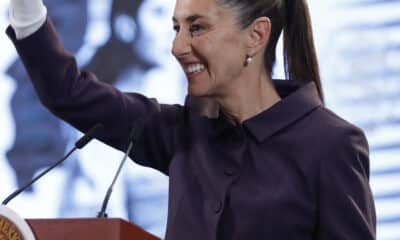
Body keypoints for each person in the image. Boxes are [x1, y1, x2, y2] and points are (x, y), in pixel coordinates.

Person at [6, 0, 376, 239]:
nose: (177, 47)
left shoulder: (330, 145)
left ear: (256, 36)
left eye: (196, 27)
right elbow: (69, 93)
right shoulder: (183, 132)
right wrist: (24, 8)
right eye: (176, 28)